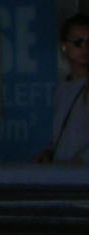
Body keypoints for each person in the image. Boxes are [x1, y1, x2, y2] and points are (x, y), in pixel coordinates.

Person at [37, 15, 89, 164]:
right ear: (64, 46)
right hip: (63, 172)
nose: (85, 48)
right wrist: (49, 154)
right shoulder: (63, 87)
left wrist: (81, 160)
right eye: (78, 42)